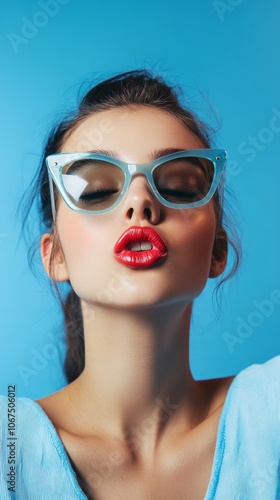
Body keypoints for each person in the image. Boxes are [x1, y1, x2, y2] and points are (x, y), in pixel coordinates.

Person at [1, 70, 280, 499]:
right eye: (94, 191)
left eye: (178, 186)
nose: (140, 201)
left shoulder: (271, 414)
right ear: (54, 254)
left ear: (217, 251)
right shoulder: (8, 448)